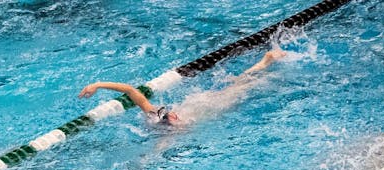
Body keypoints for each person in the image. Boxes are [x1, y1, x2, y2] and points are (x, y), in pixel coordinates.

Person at [78, 49, 287, 128]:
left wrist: (98, 84)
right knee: (240, 83)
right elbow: (131, 91)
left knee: (244, 85)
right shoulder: (156, 115)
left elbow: (131, 92)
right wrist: (98, 84)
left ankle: (266, 61)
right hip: (206, 100)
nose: (173, 115)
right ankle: (264, 62)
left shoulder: (163, 123)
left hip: (215, 103)